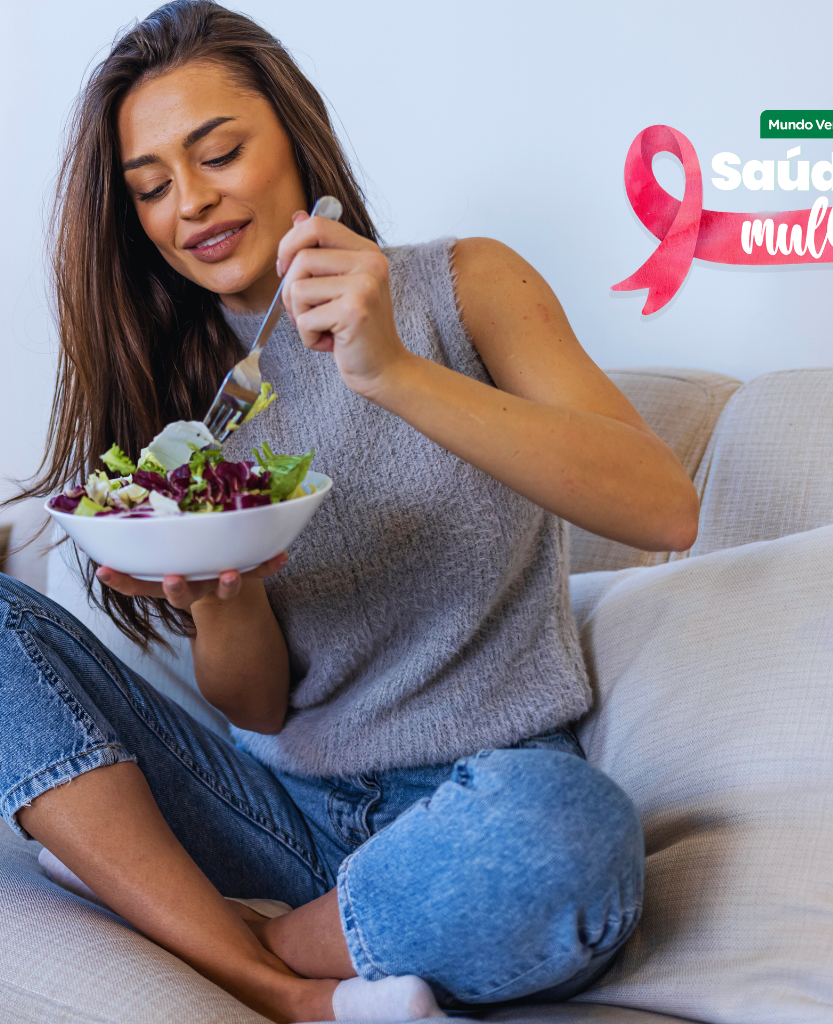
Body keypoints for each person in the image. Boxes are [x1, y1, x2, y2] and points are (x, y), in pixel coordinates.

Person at [0, 2, 698, 1021]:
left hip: (473, 812)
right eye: (151, 187)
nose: (191, 202)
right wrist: (218, 597)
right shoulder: (183, 391)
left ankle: (237, 940)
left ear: (293, 134)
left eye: (219, 153)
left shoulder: (465, 285)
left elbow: (664, 509)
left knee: (573, 833)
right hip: (272, 815)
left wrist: (392, 371)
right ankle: (281, 991)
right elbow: (258, 709)